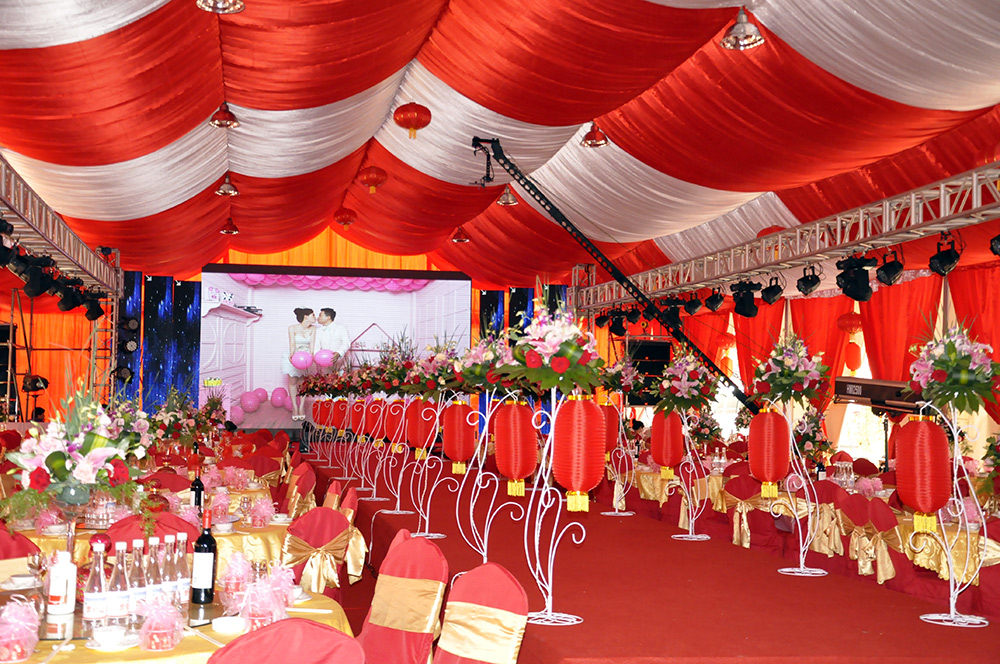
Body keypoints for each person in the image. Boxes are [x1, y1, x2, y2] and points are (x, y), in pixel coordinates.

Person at [281, 308, 316, 421]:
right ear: (306, 317)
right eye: (313, 315)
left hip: (306, 358)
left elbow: (312, 345)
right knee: (293, 382)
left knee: (303, 383)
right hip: (295, 356)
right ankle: (295, 408)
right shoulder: (292, 328)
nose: (315, 317)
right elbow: (292, 344)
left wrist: (311, 357)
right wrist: (292, 356)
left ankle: (301, 407)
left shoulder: (313, 329)